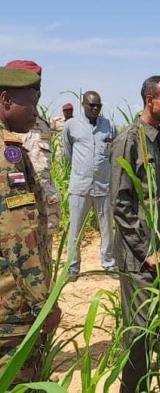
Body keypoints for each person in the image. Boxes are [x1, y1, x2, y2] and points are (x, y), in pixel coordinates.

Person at [111, 75, 160, 393]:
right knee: (140, 332)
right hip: (140, 258)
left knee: (157, 329)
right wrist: (147, 250)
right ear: (150, 101)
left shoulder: (157, 139)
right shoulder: (130, 139)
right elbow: (120, 203)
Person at [0, 66, 60, 383]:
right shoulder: (8, 154)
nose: (36, 113)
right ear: (6, 100)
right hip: (12, 304)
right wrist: (43, 304)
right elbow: (18, 235)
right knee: (19, 377)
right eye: (32, 104)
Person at [5, 60, 61, 270]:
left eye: (38, 86)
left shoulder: (41, 125)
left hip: (44, 213)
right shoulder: (8, 126)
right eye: (30, 86)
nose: (37, 91)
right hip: (15, 222)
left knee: (44, 272)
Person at [63, 90, 116, 280]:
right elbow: (68, 152)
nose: (95, 108)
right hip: (80, 187)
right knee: (75, 229)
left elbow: (112, 154)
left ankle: (109, 264)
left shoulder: (108, 126)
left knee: (107, 229)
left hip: (103, 186)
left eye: (98, 105)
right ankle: (72, 268)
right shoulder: (71, 126)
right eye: (91, 105)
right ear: (83, 105)